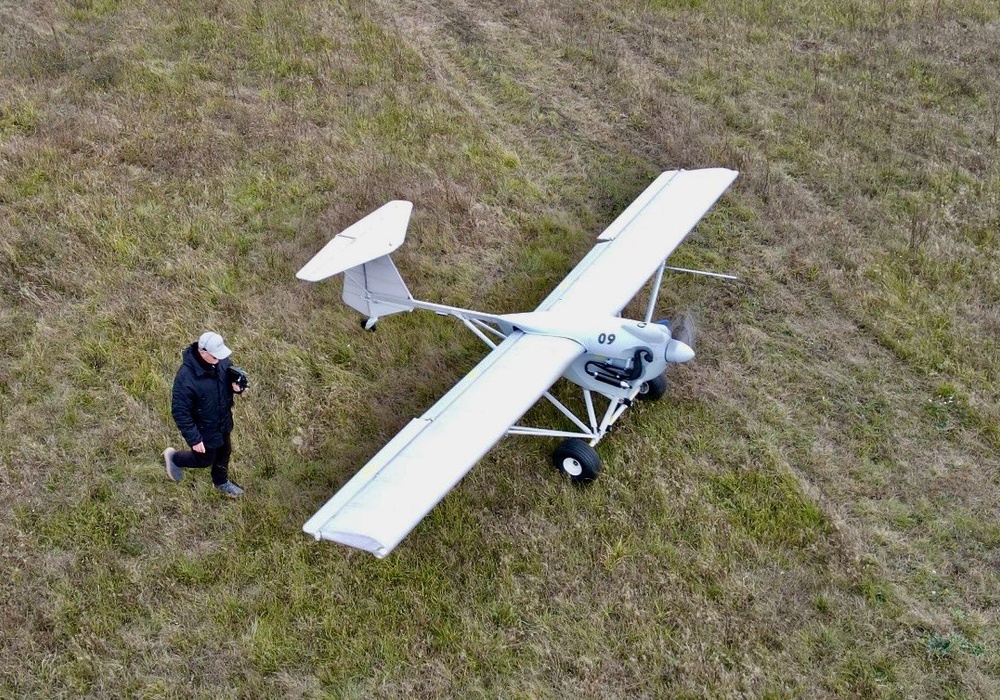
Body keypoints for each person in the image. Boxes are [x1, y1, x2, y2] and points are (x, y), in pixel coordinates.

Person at [163, 331, 248, 497]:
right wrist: (194, 439)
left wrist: (236, 387)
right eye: (215, 356)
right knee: (204, 460)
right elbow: (180, 411)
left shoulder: (221, 361)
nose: (220, 359)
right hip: (203, 429)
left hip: (222, 421)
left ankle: (221, 482)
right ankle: (174, 458)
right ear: (203, 353)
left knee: (225, 452)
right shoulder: (186, 378)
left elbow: (225, 381)